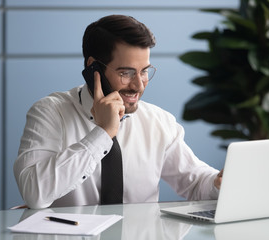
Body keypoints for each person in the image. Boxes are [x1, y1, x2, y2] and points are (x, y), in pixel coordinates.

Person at [14, 14, 222, 209]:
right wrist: (103, 133)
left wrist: (218, 182)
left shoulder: (158, 121)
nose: (138, 86)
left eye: (144, 71)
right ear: (94, 68)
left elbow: (195, 183)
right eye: (126, 73)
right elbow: (34, 193)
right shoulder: (51, 112)